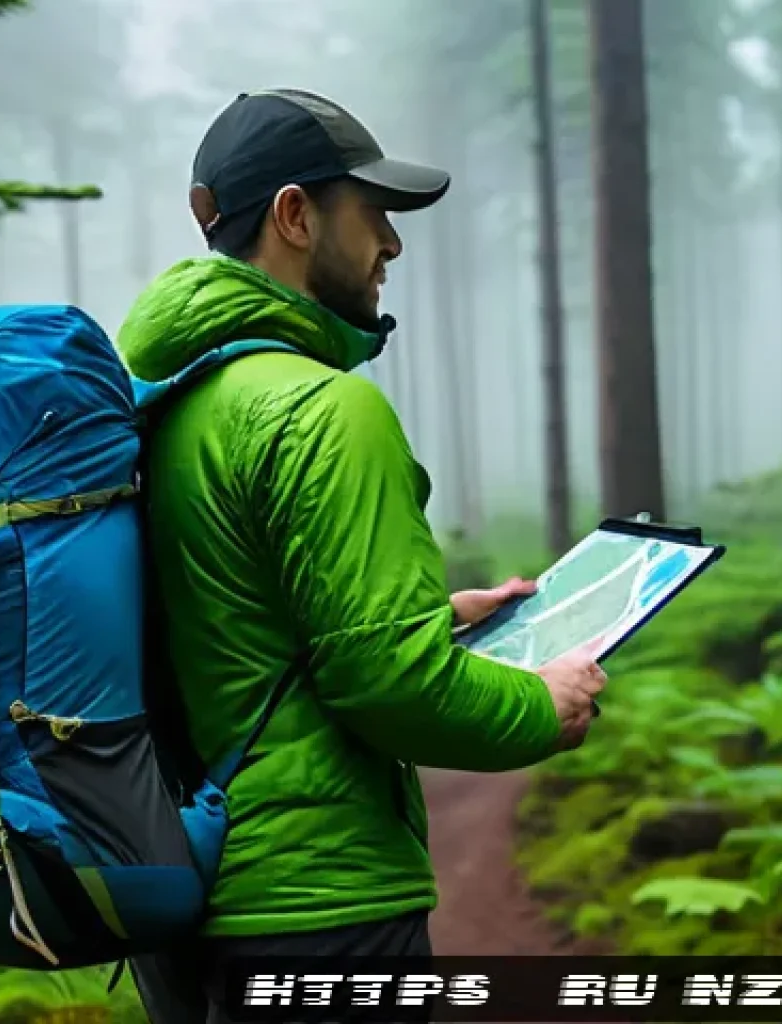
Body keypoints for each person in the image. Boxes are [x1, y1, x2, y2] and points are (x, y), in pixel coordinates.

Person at [117, 88, 608, 1024]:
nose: (392, 245)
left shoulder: (162, 404)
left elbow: (228, 616)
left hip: (184, 885)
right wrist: (544, 702)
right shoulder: (322, 411)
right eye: (373, 213)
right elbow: (393, 688)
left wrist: (431, 613)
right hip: (320, 903)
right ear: (297, 216)